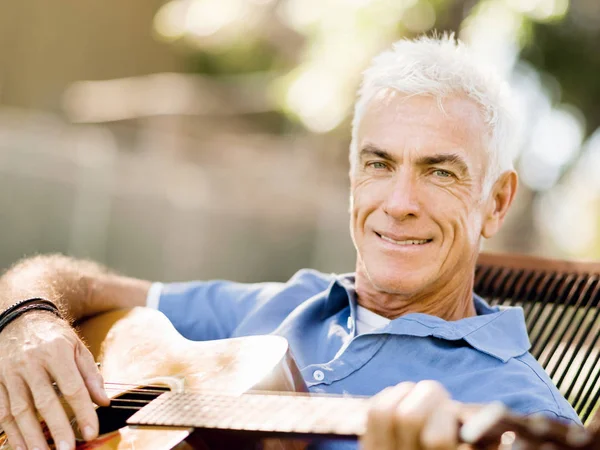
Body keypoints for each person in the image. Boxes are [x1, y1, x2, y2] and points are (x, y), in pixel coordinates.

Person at [0, 34, 580, 450]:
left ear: (497, 203)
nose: (400, 202)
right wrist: (27, 319)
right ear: (354, 178)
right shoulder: (279, 304)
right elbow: (74, 282)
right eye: (380, 164)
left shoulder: (519, 410)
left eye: (440, 172)